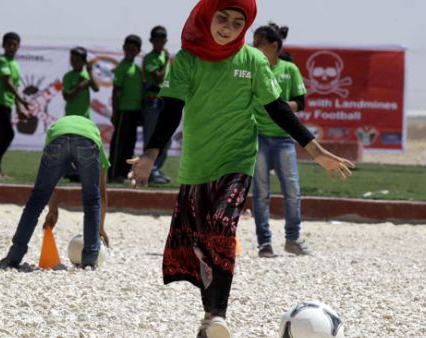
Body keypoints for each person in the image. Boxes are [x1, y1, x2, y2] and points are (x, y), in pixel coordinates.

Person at [127, 1, 354, 337]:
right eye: (223, 18)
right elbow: (172, 110)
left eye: (238, 22)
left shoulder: (253, 60)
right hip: (197, 165)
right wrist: (150, 155)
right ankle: (210, 319)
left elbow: (278, 109)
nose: (229, 27)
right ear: (207, 17)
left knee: (221, 227)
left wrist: (316, 151)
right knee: (203, 244)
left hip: (238, 160)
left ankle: (219, 313)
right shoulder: (187, 60)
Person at [0, 115, 110, 270]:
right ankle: (90, 261)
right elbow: (100, 195)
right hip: (87, 141)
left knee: (36, 200)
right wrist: (100, 226)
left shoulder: (56, 128)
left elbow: (48, 183)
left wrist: (52, 208)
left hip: (58, 138)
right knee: (91, 199)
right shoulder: (95, 137)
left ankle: (13, 258)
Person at [251, 23, 309, 258]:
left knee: (292, 191)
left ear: (274, 46)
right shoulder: (253, 67)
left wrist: (280, 108)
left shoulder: (290, 69)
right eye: (253, 44)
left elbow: (301, 102)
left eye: (259, 44)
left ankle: (292, 239)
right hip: (258, 137)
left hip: (284, 138)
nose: (254, 48)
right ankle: (265, 243)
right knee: (261, 192)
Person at [0, 32, 30, 180]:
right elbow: (8, 83)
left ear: (18, 46)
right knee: (8, 134)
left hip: (8, 104)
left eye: (14, 44)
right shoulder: (1, 61)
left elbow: (15, 86)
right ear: (3, 45)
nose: (11, 47)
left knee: (1, 137)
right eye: (9, 44)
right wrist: (22, 101)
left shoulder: (15, 64)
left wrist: (19, 107)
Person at [108, 34, 143, 183]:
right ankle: (114, 173)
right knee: (119, 143)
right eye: (127, 48)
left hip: (135, 111)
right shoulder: (121, 67)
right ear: (123, 49)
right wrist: (115, 113)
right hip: (123, 111)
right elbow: (115, 91)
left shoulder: (137, 68)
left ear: (138, 51)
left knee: (130, 143)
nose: (130, 51)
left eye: (133, 48)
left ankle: (124, 173)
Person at [61, 47, 99, 182]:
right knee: (71, 145)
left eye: (77, 60)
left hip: (84, 118)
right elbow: (67, 96)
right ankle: (69, 170)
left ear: (84, 61)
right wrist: (80, 86)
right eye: (72, 59)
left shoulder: (86, 76)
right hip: (71, 117)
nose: (74, 62)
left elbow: (96, 88)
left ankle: (79, 171)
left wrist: (89, 72)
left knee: (83, 145)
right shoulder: (68, 76)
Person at [142, 25, 171, 184]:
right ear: (152, 41)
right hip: (152, 103)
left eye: (162, 39)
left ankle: (157, 169)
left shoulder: (166, 58)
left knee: (166, 139)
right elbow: (158, 78)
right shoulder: (150, 58)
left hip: (165, 102)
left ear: (166, 40)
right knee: (152, 138)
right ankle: (150, 171)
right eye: (157, 40)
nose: (160, 42)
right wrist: (166, 60)